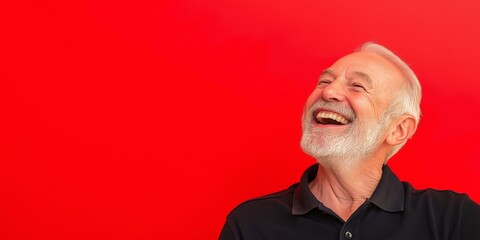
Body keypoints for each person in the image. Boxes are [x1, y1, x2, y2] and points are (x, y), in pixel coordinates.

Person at [219, 42, 480, 240]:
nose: (329, 91)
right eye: (324, 80)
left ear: (398, 130)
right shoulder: (251, 224)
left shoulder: (453, 220)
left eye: (357, 86)